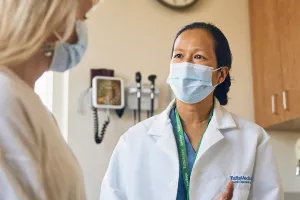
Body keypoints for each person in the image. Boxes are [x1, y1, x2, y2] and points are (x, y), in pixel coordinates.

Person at [100, 22, 283, 200]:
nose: (185, 65)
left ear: (221, 74)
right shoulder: (134, 140)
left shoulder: (252, 139)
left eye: (198, 57)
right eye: (178, 56)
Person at [0, 0, 98, 199]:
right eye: (82, 17)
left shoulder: (29, 105)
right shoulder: (6, 100)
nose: (81, 33)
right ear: (54, 17)